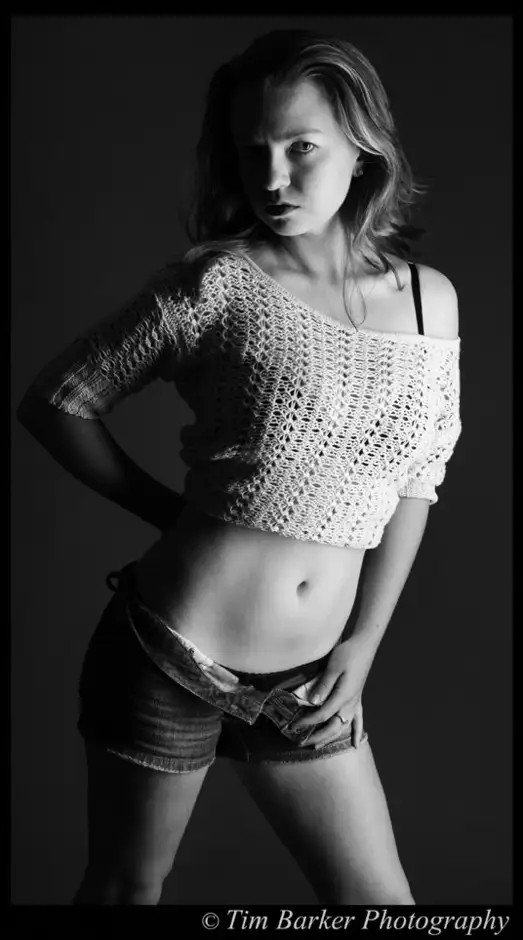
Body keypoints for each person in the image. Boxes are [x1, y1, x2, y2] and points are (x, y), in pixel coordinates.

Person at [16, 28, 462, 907]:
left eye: (300, 148)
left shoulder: (428, 300)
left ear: (363, 147)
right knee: (126, 890)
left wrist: (363, 642)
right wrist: (169, 514)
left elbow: (419, 478)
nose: (271, 177)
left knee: (381, 907)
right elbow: (57, 401)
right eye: (250, 151)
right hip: (168, 649)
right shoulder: (215, 284)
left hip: (312, 676)